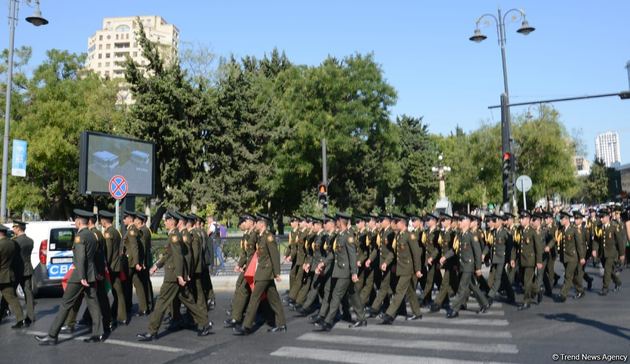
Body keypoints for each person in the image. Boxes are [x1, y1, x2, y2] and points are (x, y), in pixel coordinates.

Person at [136, 211, 212, 341]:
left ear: (172, 221)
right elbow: (168, 255)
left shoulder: (174, 236)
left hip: (173, 276)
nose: (164, 222)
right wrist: (156, 266)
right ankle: (205, 323)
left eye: (166, 220)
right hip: (176, 275)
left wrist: (179, 276)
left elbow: (179, 257)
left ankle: (152, 331)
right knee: (188, 300)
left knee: (161, 302)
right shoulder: (174, 235)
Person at [36, 209, 105, 345]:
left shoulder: (80, 236)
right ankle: (98, 333)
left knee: (65, 304)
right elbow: (96, 256)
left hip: (80, 275)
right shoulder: (93, 235)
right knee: (93, 304)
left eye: (75, 220)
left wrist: (81, 276)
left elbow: (80, 257)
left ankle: (52, 335)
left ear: (79, 221)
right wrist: (96, 273)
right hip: (90, 274)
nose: (75, 222)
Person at [234, 214, 286, 335]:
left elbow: (275, 255)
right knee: (275, 300)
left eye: (257, 222)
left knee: (254, 298)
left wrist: (277, 273)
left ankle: (246, 326)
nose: (255, 224)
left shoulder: (268, 237)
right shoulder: (260, 237)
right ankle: (281, 324)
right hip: (262, 272)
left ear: (262, 224)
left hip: (265, 272)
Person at [313, 212, 367, 331]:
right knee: (353, 295)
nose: (335, 222)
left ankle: (327, 322)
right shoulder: (340, 236)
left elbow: (352, 256)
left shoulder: (348, 236)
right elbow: (333, 253)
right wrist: (323, 263)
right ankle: (362, 318)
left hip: (345, 272)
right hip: (340, 270)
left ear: (340, 222)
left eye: (337, 220)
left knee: (336, 296)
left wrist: (354, 272)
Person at [380, 213, 423, 324]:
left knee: (399, 291)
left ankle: (389, 314)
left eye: (396, 222)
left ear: (402, 223)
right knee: (411, 292)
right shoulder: (399, 235)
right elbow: (394, 253)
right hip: (401, 268)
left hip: (408, 269)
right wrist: (386, 262)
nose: (395, 224)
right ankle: (417, 313)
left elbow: (416, 253)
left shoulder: (410, 235)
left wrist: (418, 270)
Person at [446, 214, 489, 318]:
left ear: (466, 222)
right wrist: (445, 257)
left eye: (460, 221)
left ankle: (454, 309)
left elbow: (478, 253)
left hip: (468, 266)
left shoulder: (471, 236)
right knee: (473, 286)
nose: (458, 223)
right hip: (462, 265)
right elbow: (456, 250)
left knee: (461, 287)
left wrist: (478, 268)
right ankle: (484, 303)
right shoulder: (460, 235)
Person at [100, 210, 127, 325]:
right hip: (117, 265)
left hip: (111, 267)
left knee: (109, 292)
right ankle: (121, 316)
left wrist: (105, 265)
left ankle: (117, 316)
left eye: (101, 219)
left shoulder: (108, 233)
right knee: (118, 292)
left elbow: (109, 251)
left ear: (104, 221)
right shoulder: (115, 231)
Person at [592, 208, 624, 296]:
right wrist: (594, 249)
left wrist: (622, 254)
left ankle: (605, 288)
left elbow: (620, 241)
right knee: (610, 271)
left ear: (607, 217)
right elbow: (596, 240)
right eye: (600, 217)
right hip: (602, 253)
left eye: (602, 217)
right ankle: (617, 281)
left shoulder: (614, 227)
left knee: (607, 270)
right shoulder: (598, 227)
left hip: (611, 252)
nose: (600, 219)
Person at [0, 225, 27, 329]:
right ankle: (21, 319)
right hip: (8, 273)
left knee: (10, 297)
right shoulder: (12, 243)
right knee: (12, 298)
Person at [556, 211, 586, 302]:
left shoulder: (574, 229)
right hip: (565, 257)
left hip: (573, 257)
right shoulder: (561, 229)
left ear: (566, 219)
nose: (560, 220)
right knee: (573, 276)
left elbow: (579, 245)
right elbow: (556, 240)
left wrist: (581, 257)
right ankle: (580, 290)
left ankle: (563, 294)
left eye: (561, 219)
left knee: (568, 275)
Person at [11, 220, 35, 324]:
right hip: (28, 268)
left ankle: (14, 315)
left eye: (14, 227)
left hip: (17, 270)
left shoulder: (15, 241)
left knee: (10, 293)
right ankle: (30, 316)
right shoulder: (30, 240)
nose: (13, 229)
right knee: (28, 293)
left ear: (18, 228)